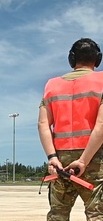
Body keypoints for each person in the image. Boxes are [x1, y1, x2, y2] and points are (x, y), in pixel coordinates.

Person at [38, 38, 103, 220]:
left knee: (57, 214)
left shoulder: (51, 85)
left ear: (71, 58)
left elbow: (43, 124)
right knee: (97, 215)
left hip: (60, 162)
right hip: (94, 160)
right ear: (98, 59)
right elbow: (101, 125)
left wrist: (52, 158)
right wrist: (83, 161)